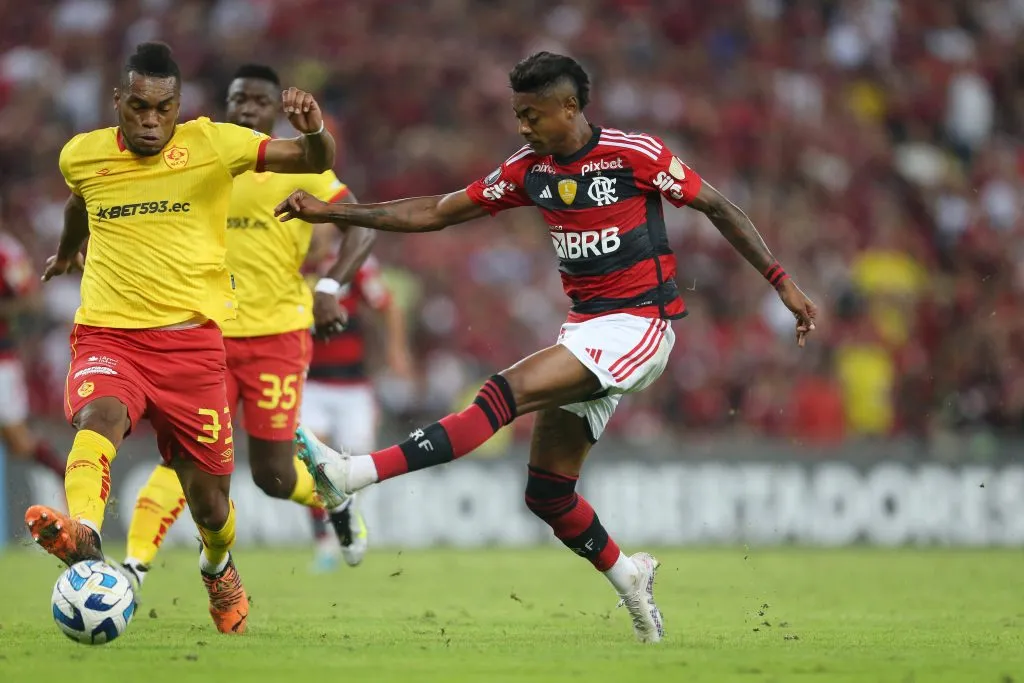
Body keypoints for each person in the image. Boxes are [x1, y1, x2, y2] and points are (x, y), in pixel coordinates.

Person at [277, 52, 817, 644]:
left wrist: (781, 282)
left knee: (503, 392)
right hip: (585, 330)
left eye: (532, 115)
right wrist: (333, 212)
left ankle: (354, 473)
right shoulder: (528, 169)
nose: (523, 127)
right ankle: (630, 577)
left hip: (641, 325)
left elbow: (718, 205)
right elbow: (433, 210)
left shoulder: (634, 155)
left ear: (569, 107)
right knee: (548, 493)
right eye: (517, 116)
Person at [25, 42, 336, 635]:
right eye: (138, 106)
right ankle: (83, 534)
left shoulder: (216, 144)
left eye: (162, 108)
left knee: (211, 505)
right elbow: (78, 203)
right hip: (109, 335)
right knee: (99, 417)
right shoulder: (83, 155)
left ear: (179, 106)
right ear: (118, 101)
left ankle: (218, 567)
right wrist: (69, 253)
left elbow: (312, 157)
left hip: (191, 348)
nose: (149, 120)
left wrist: (316, 129)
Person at [120, 64, 374, 588]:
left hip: (277, 338)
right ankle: (133, 568)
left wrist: (329, 287)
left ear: (274, 110)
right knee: (184, 457)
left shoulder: (300, 166)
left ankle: (335, 498)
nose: (248, 109)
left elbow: (362, 227)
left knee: (274, 477)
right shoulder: (203, 159)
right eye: (239, 99)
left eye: (260, 101)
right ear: (227, 104)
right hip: (201, 336)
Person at [302, 254, 414, 571]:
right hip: (310, 385)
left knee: (356, 467)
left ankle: (345, 523)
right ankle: (324, 544)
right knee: (316, 464)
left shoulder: (355, 264)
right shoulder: (292, 257)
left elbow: (387, 306)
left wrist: (396, 349)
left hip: (354, 387)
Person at [0, 230, 65, 480]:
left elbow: (32, 300)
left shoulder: (6, 251)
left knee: (19, 442)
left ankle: (67, 478)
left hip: (2, 361)